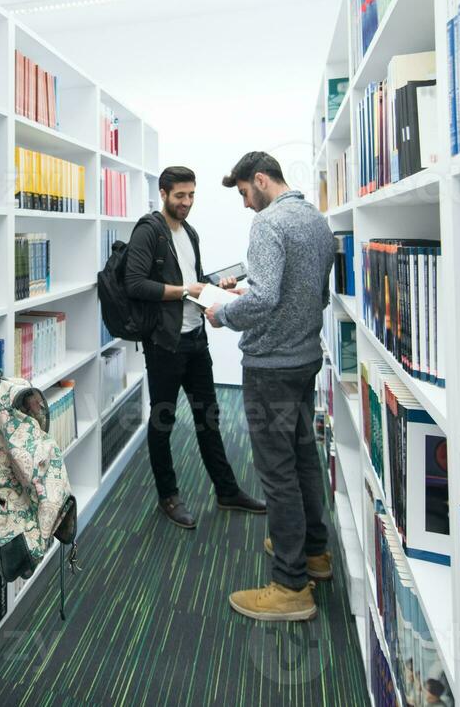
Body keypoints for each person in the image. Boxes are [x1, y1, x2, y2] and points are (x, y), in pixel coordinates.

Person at [204, 151, 336, 622]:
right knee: (303, 459)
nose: (243, 204)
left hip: (270, 367)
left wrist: (223, 312)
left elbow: (263, 298)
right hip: (304, 359)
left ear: (260, 180)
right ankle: (313, 551)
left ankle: (289, 585)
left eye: (243, 193)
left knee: (276, 474)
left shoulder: (268, 224)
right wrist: (252, 292)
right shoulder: (317, 221)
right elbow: (313, 294)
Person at [123, 165, 264, 529]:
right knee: (163, 421)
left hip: (195, 340)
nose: (186, 203)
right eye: (180, 196)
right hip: (165, 345)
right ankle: (168, 496)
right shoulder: (148, 231)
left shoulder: (190, 233)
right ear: (164, 193)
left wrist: (219, 287)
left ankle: (227, 490)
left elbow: (193, 283)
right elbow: (136, 285)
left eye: (191, 196)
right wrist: (188, 290)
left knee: (209, 418)